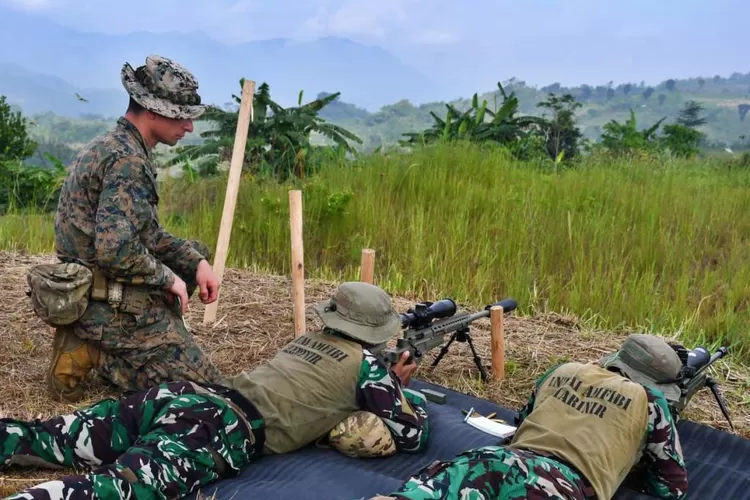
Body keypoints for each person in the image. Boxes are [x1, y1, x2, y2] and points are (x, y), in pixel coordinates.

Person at [1, 282, 429, 500]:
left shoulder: (303, 340)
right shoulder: (369, 366)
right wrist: (404, 392)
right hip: (219, 428)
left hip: (183, 396)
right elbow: (410, 437)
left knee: (52, 437)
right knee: (121, 488)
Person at [44, 54, 222, 403]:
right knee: (208, 395)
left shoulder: (116, 144)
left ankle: (146, 337)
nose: (189, 127)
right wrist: (167, 279)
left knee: (196, 253)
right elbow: (117, 251)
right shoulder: (127, 160)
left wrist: (195, 262)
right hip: (101, 300)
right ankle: (94, 351)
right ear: (152, 111)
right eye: (182, 117)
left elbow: (147, 235)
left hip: (95, 284)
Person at [371, 333, 688, 500]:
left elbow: (522, 422)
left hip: (493, 458)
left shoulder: (564, 369)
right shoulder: (650, 401)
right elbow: (670, 487)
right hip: (554, 484)